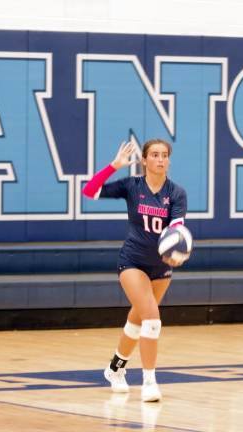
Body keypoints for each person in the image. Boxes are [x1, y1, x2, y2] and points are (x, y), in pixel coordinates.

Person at [82, 138, 187, 402]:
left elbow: (176, 229)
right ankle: (149, 381)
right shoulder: (132, 186)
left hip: (161, 267)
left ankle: (114, 369)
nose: (160, 159)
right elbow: (89, 191)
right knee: (152, 318)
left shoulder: (176, 193)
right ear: (144, 159)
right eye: (155, 155)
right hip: (132, 262)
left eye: (165, 155)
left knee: (138, 320)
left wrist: (178, 252)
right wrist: (113, 166)